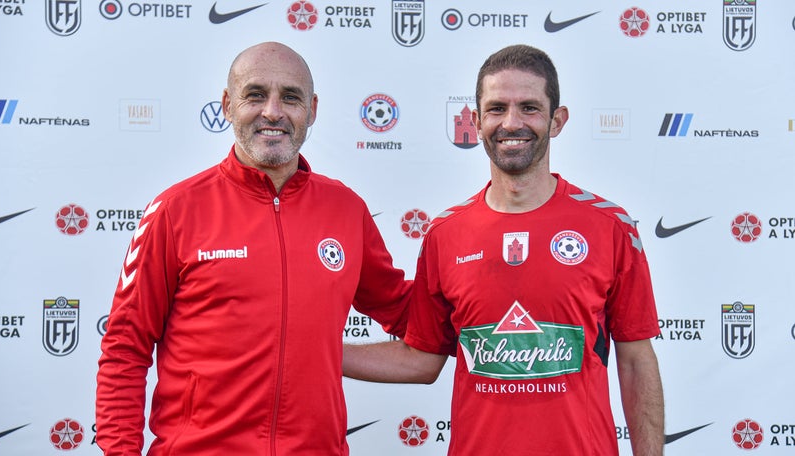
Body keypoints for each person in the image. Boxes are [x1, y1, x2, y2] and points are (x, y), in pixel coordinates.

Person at [343, 44, 664, 456]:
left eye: (529, 107)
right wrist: (314, 351)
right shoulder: (445, 233)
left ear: (557, 119)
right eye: (496, 108)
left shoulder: (611, 227)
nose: (511, 122)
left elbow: (636, 360)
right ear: (476, 121)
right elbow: (421, 360)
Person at [96, 42, 411, 455]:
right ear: (228, 104)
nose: (273, 112)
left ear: (312, 110)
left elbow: (407, 311)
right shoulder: (176, 209)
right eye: (256, 94)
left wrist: (484, 291)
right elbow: (125, 346)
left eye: (291, 97)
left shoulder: (346, 210)